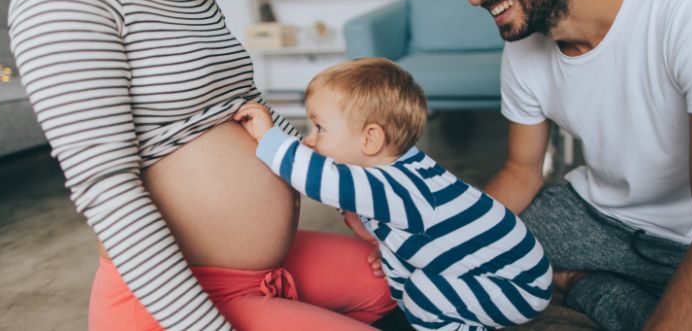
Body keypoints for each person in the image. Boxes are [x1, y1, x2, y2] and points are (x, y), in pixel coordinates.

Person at [7, 0, 398, 329]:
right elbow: (106, 189)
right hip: (173, 296)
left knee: (399, 276)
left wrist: (350, 194)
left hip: (264, 270)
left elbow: (251, 110)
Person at [445, 0, 692, 330]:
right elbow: (521, 173)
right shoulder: (522, 48)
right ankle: (585, 281)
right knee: (453, 264)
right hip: (594, 216)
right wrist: (438, 240)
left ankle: (583, 285)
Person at [234, 58, 553, 330]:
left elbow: (322, 181)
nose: (309, 140)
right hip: (502, 272)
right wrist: (382, 244)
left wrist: (270, 138)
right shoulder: (403, 167)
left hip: (517, 284)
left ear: (370, 139)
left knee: (422, 294)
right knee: (408, 283)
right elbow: (407, 235)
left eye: (320, 128)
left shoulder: (396, 186)